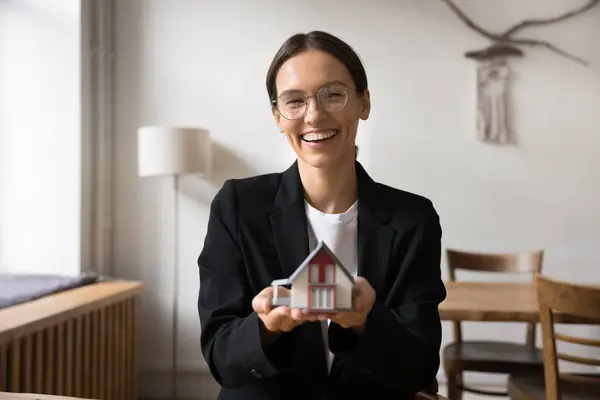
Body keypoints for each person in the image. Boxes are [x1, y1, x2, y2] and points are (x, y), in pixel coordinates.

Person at [197, 30, 447, 400]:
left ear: (364, 103)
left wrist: (365, 321)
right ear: (278, 117)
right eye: (294, 101)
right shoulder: (236, 206)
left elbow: (419, 366)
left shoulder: (413, 219)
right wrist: (266, 326)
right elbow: (222, 358)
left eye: (333, 94)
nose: (314, 115)